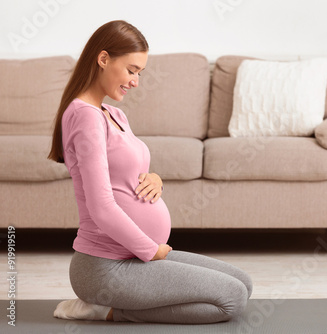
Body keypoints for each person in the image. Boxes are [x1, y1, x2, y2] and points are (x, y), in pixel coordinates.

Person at [47, 20, 252, 324]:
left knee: (243, 283)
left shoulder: (114, 114)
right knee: (231, 300)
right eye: (131, 70)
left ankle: (111, 305)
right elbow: (101, 207)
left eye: (140, 73)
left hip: (133, 256)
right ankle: (105, 309)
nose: (135, 82)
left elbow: (128, 173)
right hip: (106, 266)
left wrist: (155, 179)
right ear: (103, 59)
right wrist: (150, 250)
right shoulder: (85, 117)